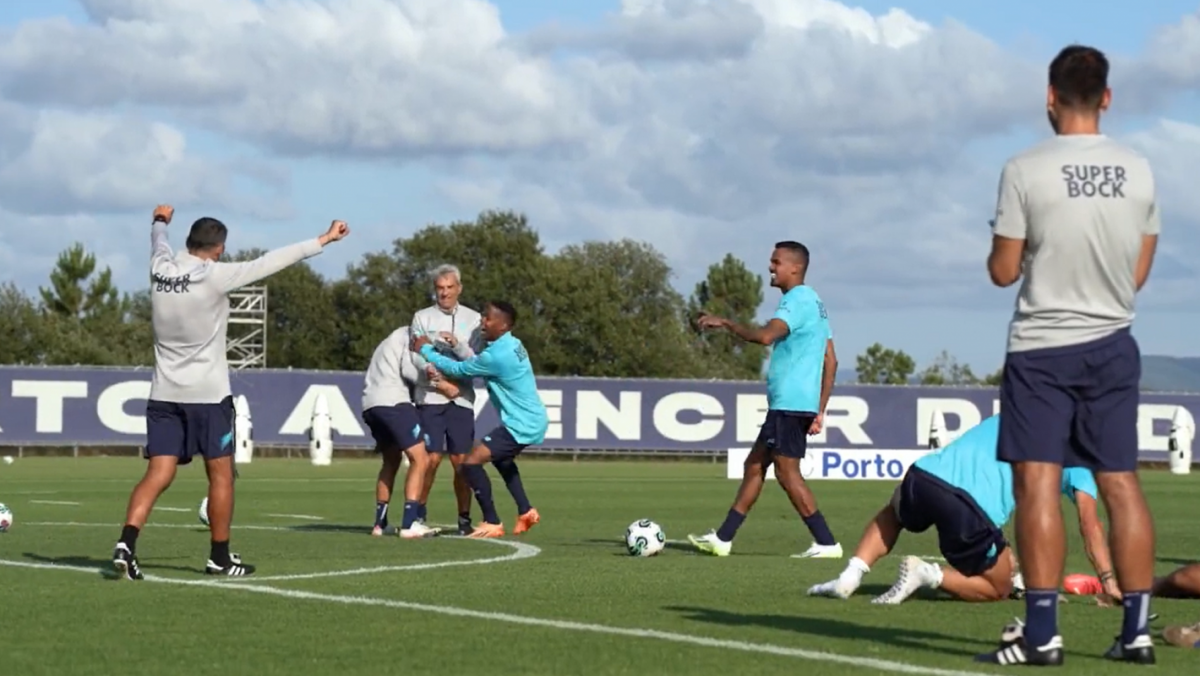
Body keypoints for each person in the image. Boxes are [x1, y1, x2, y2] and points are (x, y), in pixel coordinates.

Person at [977, 44, 1161, 667]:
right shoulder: (1138, 170)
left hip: (1042, 348)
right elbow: (1138, 272)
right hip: (1113, 344)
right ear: (1106, 97)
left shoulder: (1024, 168)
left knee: (1037, 485)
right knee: (1121, 484)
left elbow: (1003, 271)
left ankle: (1043, 634)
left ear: (1050, 97)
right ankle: (1135, 633)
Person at [112, 205, 349, 580]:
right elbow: (273, 261)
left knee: (158, 472)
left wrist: (159, 220)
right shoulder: (216, 276)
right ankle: (219, 558)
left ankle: (127, 542)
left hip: (163, 393)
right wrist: (324, 239)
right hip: (208, 395)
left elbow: (158, 240)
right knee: (221, 475)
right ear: (219, 249)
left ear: (188, 243)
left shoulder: (160, 269)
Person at [808, 415, 1118, 606]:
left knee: (894, 513)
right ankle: (927, 574)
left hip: (925, 475)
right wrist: (1108, 580)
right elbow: (1089, 525)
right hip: (970, 509)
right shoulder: (1081, 461)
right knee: (999, 587)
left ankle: (850, 576)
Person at [686, 241, 841, 559]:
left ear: (795, 268)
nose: (771, 267)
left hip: (789, 403)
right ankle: (723, 538)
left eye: (776, 262)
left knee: (787, 473)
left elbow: (766, 336)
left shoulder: (796, 300)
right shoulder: (814, 302)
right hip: (796, 403)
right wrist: (819, 410)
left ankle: (827, 543)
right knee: (755, 465)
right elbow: (832, 360)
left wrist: (726, 323)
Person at [411, 300, 546, 538]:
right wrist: (459, 345)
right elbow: (476, 361)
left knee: (470, 464)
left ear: (503, 326)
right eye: (483, 316)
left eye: (488, 318)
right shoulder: (513, 344)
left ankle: (492, 521)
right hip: (530, 420)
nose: (483, 321)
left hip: (521, 424)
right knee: (502, 461)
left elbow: (460, 370)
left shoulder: (497, 355)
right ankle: (526, 511)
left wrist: (425, 349)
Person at [361, 325, 459, 539]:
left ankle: (380, 524)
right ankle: (409, 523)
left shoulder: (388, 339)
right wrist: (441, 384)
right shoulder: (411, 335)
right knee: (421, 459)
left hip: (370, 404)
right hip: (394, 403)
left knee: (391, 461)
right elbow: (410, 369)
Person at [409, 264, 482, 535]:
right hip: (430, 397)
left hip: (461, 398)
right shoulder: (422, 317)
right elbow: (415, 355)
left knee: (462, 461)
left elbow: (476, 360)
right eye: (440, 288)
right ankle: (418, 513)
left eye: (450, 287)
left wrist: (457, 345)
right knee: (430, 459)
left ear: (459, 288)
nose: (445, 293)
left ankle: (464, 519)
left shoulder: (474, 319)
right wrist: (433, 376)